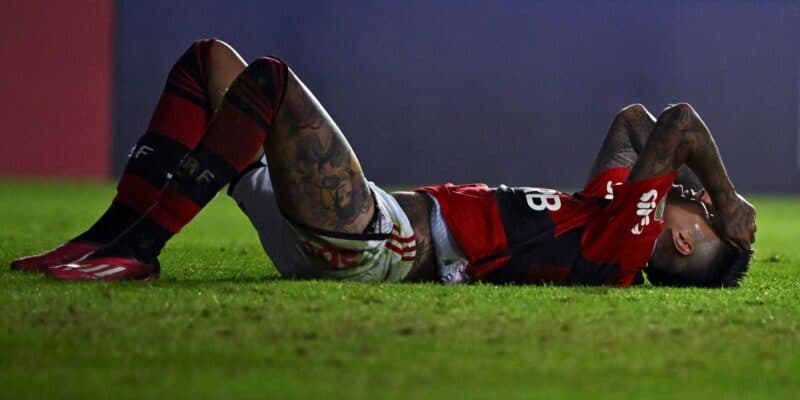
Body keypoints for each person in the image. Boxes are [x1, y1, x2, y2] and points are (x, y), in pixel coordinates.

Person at [11, 39, 756, 287]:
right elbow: (637, 120)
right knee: (210, 64)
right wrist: (713, 199)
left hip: (373, 240)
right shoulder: (606, 214)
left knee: (268, 81)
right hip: (350, 224)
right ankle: (107, 240)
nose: (694, 195)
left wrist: (731, 196)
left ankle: (138, 249)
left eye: (700, 210)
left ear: (682, 238)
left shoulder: (622, 249)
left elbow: (679, 126)